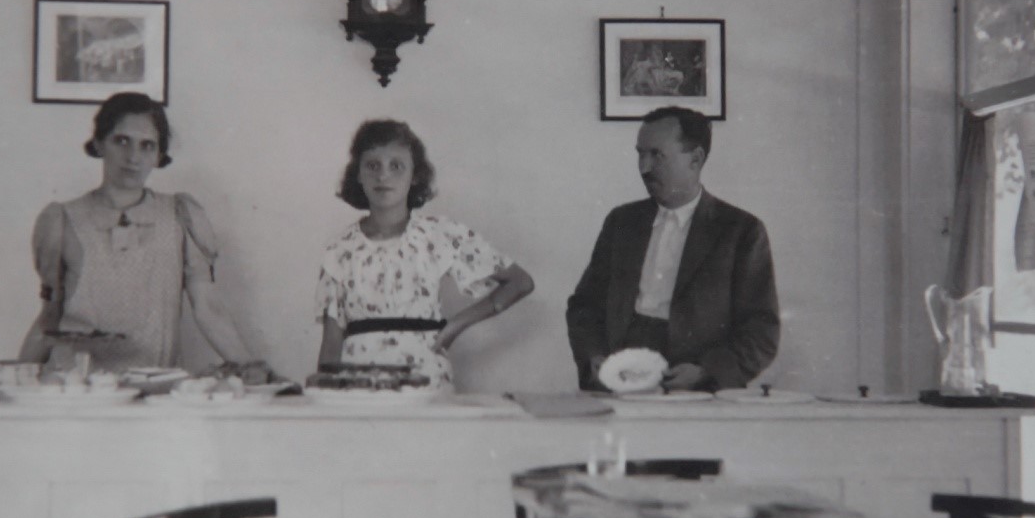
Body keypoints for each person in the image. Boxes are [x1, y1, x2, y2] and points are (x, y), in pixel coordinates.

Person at [19, 91, 266, 377]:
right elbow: (50, 316)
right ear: (99, 143)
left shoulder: (181, 216)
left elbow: (208, 307)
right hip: (75, 387)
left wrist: (250, 367)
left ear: (159, 156)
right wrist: (16, 378)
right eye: (122, 141)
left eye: (147, 146)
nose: (133, 157)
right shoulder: (61, 220)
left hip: (155, 386)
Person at [566, 106, 779, 392]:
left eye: (657, 155)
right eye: (640, 154)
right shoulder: (621, 222)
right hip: (621, 379)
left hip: (697, 386)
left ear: (696, 159)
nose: (644, 167)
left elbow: (762, 330)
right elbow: (585, 306)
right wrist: (594, 358)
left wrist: (706, 372)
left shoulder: (741, 231)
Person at [316, 119, 535, 390]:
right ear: (358, 174)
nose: (383, 176)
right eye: (372, 166)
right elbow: (331, 345)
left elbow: (520, 282)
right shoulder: (339, 249)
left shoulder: (440, 234)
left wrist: (455, 326)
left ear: (415, 175)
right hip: (358, 386)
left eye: (396, 166)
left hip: (426, 379)